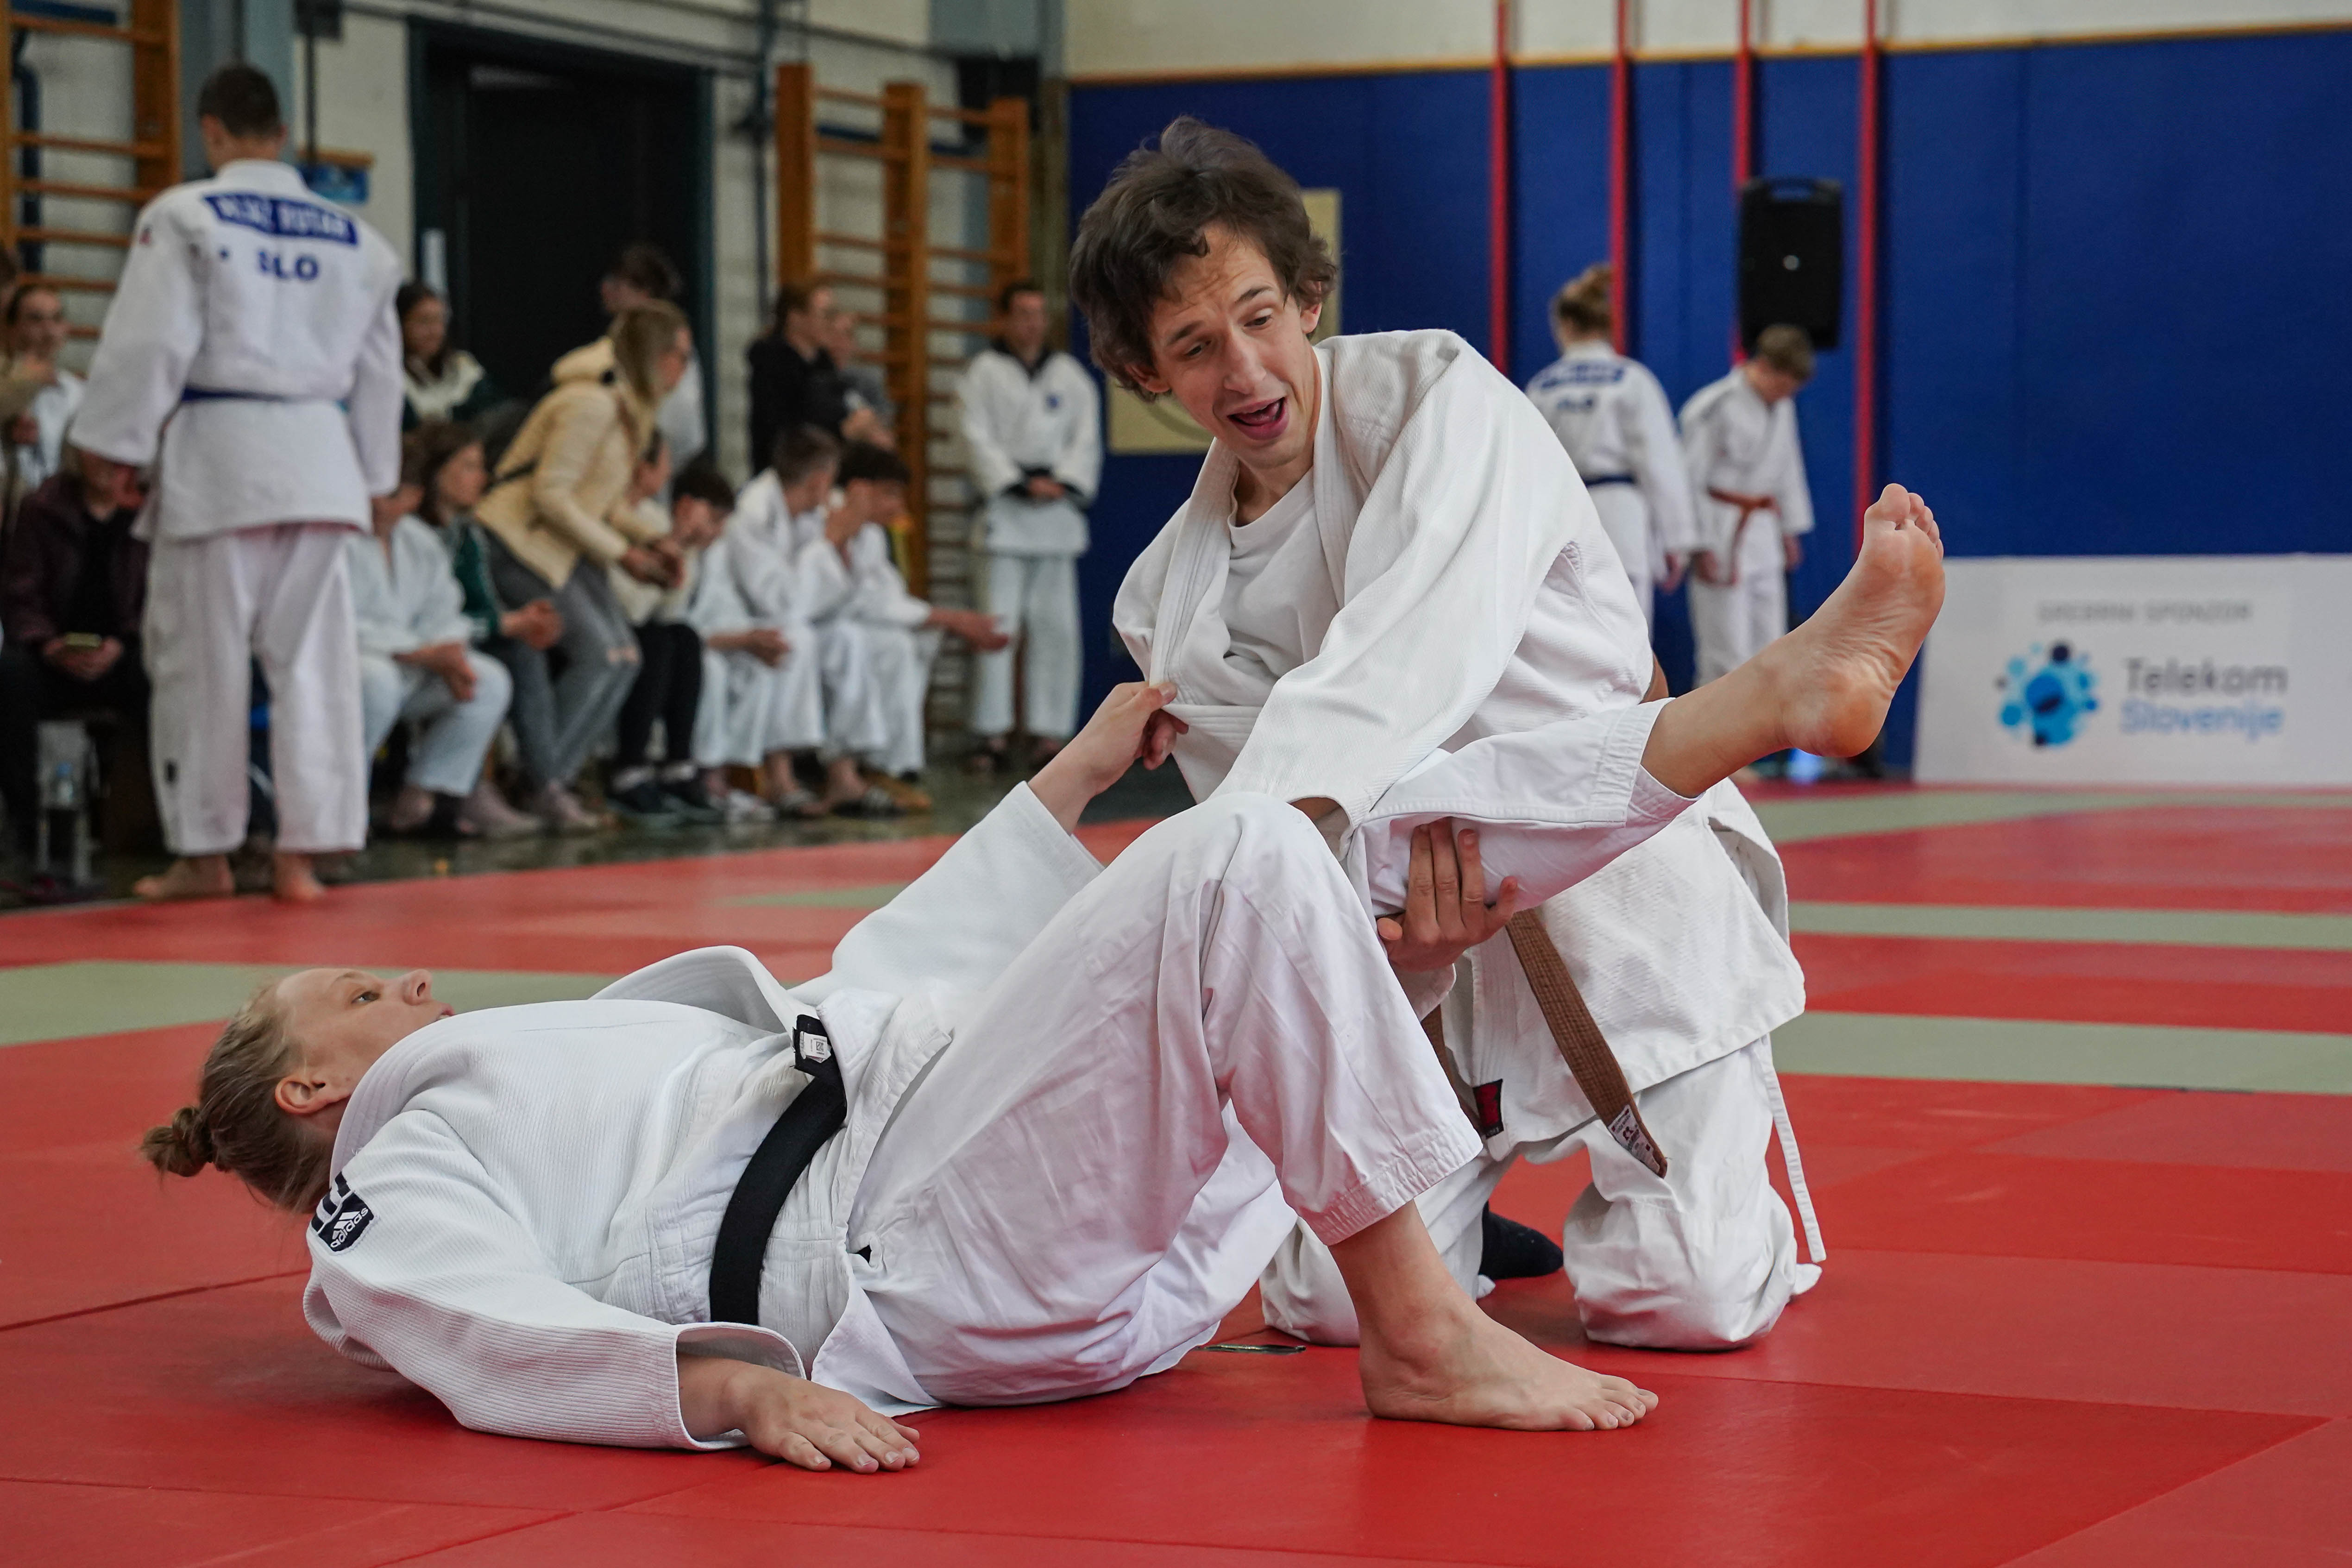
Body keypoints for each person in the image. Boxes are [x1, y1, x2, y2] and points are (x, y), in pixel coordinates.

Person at [136, 552, 1938, 1460]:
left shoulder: (563, 1063)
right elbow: (465, 1323)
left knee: (1336, 852)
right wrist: (727, 1391)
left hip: (1044, 1241)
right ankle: (1419, 1332)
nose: (408, 977)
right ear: (309, 1093)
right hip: (909, 1257)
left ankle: (1756, 707)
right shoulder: (396, 1169)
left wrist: (1079, 776)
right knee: (1237, 857)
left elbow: (886, 972)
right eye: (359, 992)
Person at [1084, 119, 1933, 1351]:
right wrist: (1387, 945)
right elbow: (1283, 859)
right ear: (1144, 371)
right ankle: (1747, 708)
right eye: (1193, 346)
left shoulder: (1438, 400)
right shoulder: (1167, 597)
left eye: (1260, 317)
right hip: (1421, 946)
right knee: (1328, 1307)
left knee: (1681, 1299)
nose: (1246, 368)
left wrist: (1218, 888)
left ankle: (1766, 699)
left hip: (1615, 882)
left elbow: (1407, 661)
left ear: (1308, 297)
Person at [72, 63, 402, 904]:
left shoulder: (185, 215)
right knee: (316, 666)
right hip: (321, 459)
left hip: (222, 459)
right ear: (282, 134)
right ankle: (304, 856)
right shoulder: (360, 241)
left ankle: (206, 854)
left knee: (202, 664)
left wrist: (114, 444)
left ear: (210, 129)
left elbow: (152, 342)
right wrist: (376, 477)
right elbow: (380, 373)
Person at [473, 303, 689, 832]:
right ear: (655, 356)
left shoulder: (629, 408)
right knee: (600, 654)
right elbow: (550, 494)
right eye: (678, 356)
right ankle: (542, 781)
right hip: (517, 541)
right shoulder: (590, 403)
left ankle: (555, 777)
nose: (683, 369)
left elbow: (602, 503)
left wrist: (651, 540)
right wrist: (622, 554)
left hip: (562, 547)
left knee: (625, 656)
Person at [793, 442, 1007, 810]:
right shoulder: (820, 519)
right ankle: (864, 765)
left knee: (913, 640)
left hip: (851, 627)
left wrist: (950, 622)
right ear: (859, 489)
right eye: (890, 494)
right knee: (882, 643)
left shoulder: (871, 535)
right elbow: (851, 601)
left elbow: (888, 599)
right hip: (816, 629)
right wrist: (955, 620)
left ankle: (892, 763)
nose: (897, 506)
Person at [956, 278, 1103, 772]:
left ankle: (1049, 734)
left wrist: (1061, 481)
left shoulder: (1069, 376)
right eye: (1021, 313)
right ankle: (991, 735)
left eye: (1039, 313)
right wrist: (1017, 482)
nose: (1032, 323)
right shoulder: (981, 373)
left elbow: (1085, 440)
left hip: (1057, 518)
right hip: (1005, 514)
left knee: (1056, 629)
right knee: (997, 626)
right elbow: (972, 437)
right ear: (1003, 318)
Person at [348, 433, 516, 838]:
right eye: (372, 491)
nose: (378, 504)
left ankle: (422, 797)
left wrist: (450, 652)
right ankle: (347, 803)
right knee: (377, 681)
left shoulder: (418, 542)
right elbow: (338, 624)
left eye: (392, 495)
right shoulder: (338, 539)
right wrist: (420, 653)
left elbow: (445, 609)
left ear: (414, 496)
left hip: (413, 665)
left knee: (488, 680)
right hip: (355, 667)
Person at [1522, 264, 1697, 630]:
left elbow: (1528, 468)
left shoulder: (1542, 386)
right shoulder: (1632, 379)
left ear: (1565, 325)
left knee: (1569, 630)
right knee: (1627, 631)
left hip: (1561, 519)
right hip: (1621, 517)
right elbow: (1659, 462)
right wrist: (1677, 538)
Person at [404, 421, 553, 839]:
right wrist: (506, 624)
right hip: (412, 647)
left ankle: (440, 791)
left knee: (514, 658)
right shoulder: (412, 535)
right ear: (437, 474)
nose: (481, 478)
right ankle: (496, 786)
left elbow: (481, 605)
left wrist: (517, 621)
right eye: (469, 467)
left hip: (452, 641)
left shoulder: (468, 533)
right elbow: (419, 616)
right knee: (499, 660)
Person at [687, 428, 844, 819]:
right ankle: (767, 773)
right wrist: (827, 544)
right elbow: (775, 600)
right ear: (820, 479)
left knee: (801, 639)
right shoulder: (753, 513)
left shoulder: (805, 514)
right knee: (789, 641)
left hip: (745, 624)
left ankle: (776, 772)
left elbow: (816, 597)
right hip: (729, 624)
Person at [0, 447, 150, 857]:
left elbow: (161, 597)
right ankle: (31, 825)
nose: (110, 464)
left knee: (162, 677)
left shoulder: (149, 512)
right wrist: (48, 644)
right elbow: (20, 593)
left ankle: (155, 825)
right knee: (10, 677)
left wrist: (122, 642)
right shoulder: (42, 509)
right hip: (52, 655)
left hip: (125, 652)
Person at [1681, 324, 1817, 688]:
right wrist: (1700, 544)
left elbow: (1788, 468)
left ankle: (1766, 726)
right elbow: (1689, 480)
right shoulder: (1713, 406)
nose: (1786, 394)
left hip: (1763, 531)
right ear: (1764, 366)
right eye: (1783, 384)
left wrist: (1789, 530)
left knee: (1771, 648)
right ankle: (1712, 725)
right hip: (1722, 530)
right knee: (1725, 655)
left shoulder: (1782, 406)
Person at [608, 460, 729, 824]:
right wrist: (673, 541)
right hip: (617, 626)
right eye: (714, 520)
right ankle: (629, 767)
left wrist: (682, 550)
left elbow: (670, 611)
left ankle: (679, 763)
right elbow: (632, 609)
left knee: (685, 639)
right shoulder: (633, 521)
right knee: (658, 642)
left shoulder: (666, 527)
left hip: (647, 626)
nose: (718, 532)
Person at [583, 244, 706, 480]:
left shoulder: (671, 342)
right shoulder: (619, 339)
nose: (606, 289)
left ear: (644, 294)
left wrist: (651, 456)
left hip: (657, 467)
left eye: (618, 284)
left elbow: (682, 428)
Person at [745, 282, 889, 474]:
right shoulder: (773, 366)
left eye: (834, 313)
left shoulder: (824, 365)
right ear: (796, 318)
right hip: (788, 477)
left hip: (826, 473)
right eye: (826, 314)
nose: (832, 322)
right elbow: (782, 434)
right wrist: (844, 432)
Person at [4, 283, 84, 499]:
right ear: (12, 328)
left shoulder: (77, 392)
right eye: (36, 320)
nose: (49, 331)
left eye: (56, 319)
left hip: (57, 508)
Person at [396, 283, 501, 431]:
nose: (435, 331)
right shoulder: (394, 376)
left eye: (439, 320)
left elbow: (495, 408)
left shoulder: (462, 365)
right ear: (400, 324)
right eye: (424, 321)